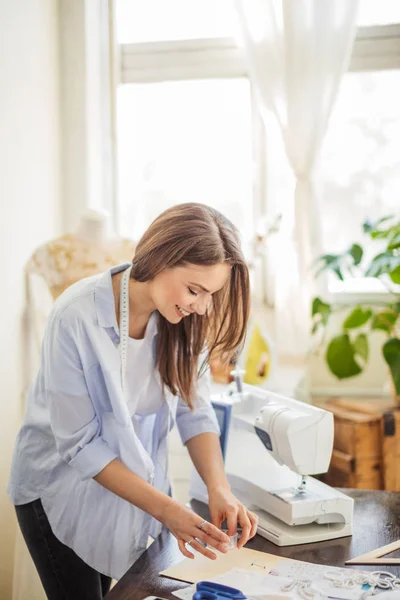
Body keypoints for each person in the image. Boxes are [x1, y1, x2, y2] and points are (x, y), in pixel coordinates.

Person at [7, 203, 258, 600]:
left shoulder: (182, 322)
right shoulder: (75, 316)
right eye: (195, 290)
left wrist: (219, 488)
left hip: (123, 487)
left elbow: (195, 408)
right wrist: (168, 510)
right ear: (161, 259)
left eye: (211, 295)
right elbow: (80, 445)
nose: (202, 306)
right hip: (58, 484)